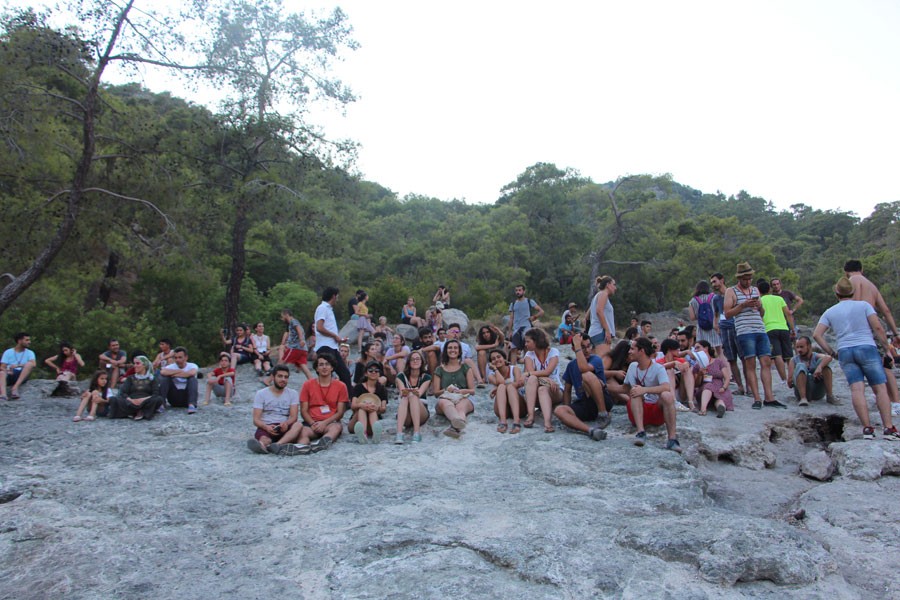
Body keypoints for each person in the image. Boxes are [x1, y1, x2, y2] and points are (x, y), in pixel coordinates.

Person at [813, 277, 898, 441]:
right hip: (866, 347)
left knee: (857, 389)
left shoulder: (830, 311)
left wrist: (831, 352)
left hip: (845, 350)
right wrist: (887, 349)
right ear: (853, 292)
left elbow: (817, 334)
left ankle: (867, 429)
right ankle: (888, 428)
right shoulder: (864, 306)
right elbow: (877, 327)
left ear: (836, 293)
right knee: (880, 388)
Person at [724, 262, 784, 409]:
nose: (748, 281)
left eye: (750, 278)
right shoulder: (731, 291)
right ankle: (757, 398)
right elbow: (727, 314)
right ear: (740, 278)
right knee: (750, 364)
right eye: (745, 279)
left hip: (760, 329)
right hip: (744, 331)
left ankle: (769, 397)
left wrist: (759, 306)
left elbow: (762, 313)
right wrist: (743, 305)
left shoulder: (755, 290)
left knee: (766, 362)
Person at [624, 337, 681, 453]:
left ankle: (672, 439)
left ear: (642, 351)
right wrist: (604, 387)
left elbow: (666, 387)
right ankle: (640, 432)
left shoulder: (658, 368)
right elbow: (624, 388)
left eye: (632, 349)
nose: (629, 351)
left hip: (656, 411)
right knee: (635, 391)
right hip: (638, 409)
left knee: (667, 395)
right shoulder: (632, 367)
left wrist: (644, 390)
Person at [554, 333, 611, 441]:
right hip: (585, 404)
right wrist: (568, 409)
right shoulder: (571, 365)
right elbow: (567, 390)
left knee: (587, 375)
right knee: (559, 410)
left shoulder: (596, 359)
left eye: (588, 346)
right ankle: (591, 430)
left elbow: (583, 368)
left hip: (602, 399)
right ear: (573, 349)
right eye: (582, 347)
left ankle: (603, 415)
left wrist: (578, 346)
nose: (586, 350)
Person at [247, 364, 304, 454]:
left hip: (284, 426)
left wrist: (286, 423)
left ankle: (278, 444)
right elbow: (256, 420)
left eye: (286, 377)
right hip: (267, 425)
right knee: (264, 438)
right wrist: (266, 427)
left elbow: (294, 417)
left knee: (298, 425)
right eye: (280, 376)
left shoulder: (293, 393)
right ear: (273, 377)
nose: (283, 379)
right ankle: (263, 445)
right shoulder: (261, 393)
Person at [297, 354, 347, 452]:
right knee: (303, 433)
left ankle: (322, 443)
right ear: (316, 368)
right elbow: (303, 410)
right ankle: (301, 447)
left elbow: (340, 412)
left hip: (330, 423)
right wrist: (313, 423)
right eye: (321, 364)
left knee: (336, 428)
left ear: (332, 367)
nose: (324, 367)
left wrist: (324, 423)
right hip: (312, 423)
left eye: (327, 364)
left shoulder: (341, 386)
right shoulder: (307, 385)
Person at [710, 272, 746, 395]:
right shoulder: (715, 298)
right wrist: (716, 326)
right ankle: (740, 386)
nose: (713, 284)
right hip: (724, 329)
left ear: (722, 280)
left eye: (715, 281)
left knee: (744, 358)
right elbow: (716, 314)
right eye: (712, 283)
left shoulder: (732, 293)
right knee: (731, 359)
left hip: (737, 327)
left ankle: (750, 387)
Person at [431, 339, 475, 439]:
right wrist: (446, 389)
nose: (453, 350)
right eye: (450, 348)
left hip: (464, 396)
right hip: (446, 397)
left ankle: (454, 428)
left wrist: (463, 391)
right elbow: (436, 393)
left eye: (455, 348)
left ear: (459, 351)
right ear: (446, 350)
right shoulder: (439, 369)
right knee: (445, 402)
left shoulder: (465, 367)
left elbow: (472, 390)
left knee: (461, 407)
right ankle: (457, 421)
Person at [315, 287, 353, 398]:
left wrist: (339, 339)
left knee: (342, 373)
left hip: (331, 346)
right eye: (337, 296)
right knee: (329, 374)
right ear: (333, 296)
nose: (338, 299)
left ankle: (346, 399)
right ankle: (346, 400)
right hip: (325, 347)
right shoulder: (322, 308)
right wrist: (335, 336)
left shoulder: (328, 309)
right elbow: (319, 327)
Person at [522, 327, 562, 433]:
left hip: (554, 389)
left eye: (528, 341)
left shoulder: (553, 352)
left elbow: (547, 371)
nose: (525, 344)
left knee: (542, 389)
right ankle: (531, 416)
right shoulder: (529, 355)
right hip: (537, 388)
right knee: (535, 382)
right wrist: (547, 380)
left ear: (536, 341)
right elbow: (533, 378)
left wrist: (529, 373)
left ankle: (547, 422)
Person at [758, 279, 795, 384]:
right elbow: (788, 313)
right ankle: (792, 377)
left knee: (777, 355)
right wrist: (792, 328)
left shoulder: (760, 301)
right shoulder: (779, 299)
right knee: (788, 355)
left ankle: (784, 379)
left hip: (769, 329)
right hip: (783, 328)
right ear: (770, 289)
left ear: (759, 291)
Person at [109, 356, 164, 421]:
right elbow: (124, 392)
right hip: (131, 401)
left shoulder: (152, 379)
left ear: (144, 365)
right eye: (134, 363)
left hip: (146, 401)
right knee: (114, 399)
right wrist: (131, 400)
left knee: (158, 399)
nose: (135, 366)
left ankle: (133, 412)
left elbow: (155, 393)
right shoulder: (130, 378)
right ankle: (140, 411)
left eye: (137, 363)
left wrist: (142, 400)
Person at [394, 350, 431, 444]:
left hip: (421, 410)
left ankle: (417, 432)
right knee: (406, 396)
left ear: (422, 361)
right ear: (409, 362)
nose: (415, 361)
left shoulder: (426, 377)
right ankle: (399, 433)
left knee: (413, 396)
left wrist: (411, 392)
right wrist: (409, 392)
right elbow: (403, 392)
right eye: (412, 359)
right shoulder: (401, 376)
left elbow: (420, 392)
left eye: (418, 359)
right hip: (406, 411)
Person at [787, 336, 836, 406]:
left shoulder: (815, 356)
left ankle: (830, 396)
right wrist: (798, 375)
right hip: (801, 393)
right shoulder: (793, 360)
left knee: (824, 365)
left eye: (801, 347)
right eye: (797, 347)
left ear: (809, 346)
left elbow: (829, 357)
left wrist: (819, 368)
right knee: (800, 365)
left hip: (818, 392)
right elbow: (789, 383)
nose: (799, 350)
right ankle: (803, 398)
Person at [349, 360, 389, 444]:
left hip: (371, 420)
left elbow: (383, 408)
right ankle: (362, 433)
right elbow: (353, 405)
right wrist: (362, 405)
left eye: (376, 371)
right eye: (370, 370)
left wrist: (376, 407)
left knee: (372, 408)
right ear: (366, 373)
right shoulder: (358, 387)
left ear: (379, 374)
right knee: (362, 409)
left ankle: (374, 434)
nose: (373, 372)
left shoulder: (382, 389)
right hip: (356, 420)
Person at [487, 348, 525, 434]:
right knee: (501, 387)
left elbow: (518, 384)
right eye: (493, 359)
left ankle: (516, 421)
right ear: (490, 363)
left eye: (498, 357)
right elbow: (501, 382)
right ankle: (503, 421)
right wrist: (495, 370)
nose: (496, 360)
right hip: (503, 409)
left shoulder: (514, 369)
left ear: (504, 359)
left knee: (510, 387)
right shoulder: (491, 375)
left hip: (519, 407)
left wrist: (498, 388)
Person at [507, 284, 544, 366]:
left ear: (524, 291)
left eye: (520, 290)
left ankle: (527, 371)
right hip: (516, 329)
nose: (518, 292)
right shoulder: (512, 304)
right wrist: (509, 331)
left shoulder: (529, 301)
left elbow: (541, 311)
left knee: (527, 349)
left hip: (527, 328)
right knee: (513, 349)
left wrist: (534, 317)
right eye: (516, 290)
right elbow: (511, 318)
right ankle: (513, 371)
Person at [694, 339, 733, 417]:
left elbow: (727, 377)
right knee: (708, 386)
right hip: (704, 388)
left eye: (698, 347)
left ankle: (721, 408)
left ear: (706, 348)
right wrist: (700, 374)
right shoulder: (697, 365)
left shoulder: (718, 362)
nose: (696, 350)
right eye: (695, 348)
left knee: (719, 398)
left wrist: (724, 387)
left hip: (719, 387)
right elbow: (696, 384)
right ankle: (703, 409)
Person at [659, 338, 696, 411]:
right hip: (668, 393)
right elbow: (659, 368)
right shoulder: (659, 361)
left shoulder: (680, 360)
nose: (679, 351)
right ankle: (674, 401)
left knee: (687, 370)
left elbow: (687, 365)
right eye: (677, 349)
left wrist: (686, 364)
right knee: (670, 371)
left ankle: (690, 401)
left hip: (681, 391)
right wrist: (672, 364)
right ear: (670, 350)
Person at [159, 346, 199, 413]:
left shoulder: (192, 365)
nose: (177, 360)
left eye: (180, 357)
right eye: (176, 358)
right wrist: (180, 371)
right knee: (165, 379)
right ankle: (161, 404)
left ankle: (192, 405)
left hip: (186, 397)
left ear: (186, 357)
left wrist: (172, 374)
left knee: (192, 379)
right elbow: (162, 372)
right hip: (174, 398)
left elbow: (192, 373)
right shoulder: (171, 366)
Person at [587, 275, 617, 358]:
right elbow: (599, 311)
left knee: (594, 362)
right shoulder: (603, 294)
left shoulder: (596, 297)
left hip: (594, 332)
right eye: (614, 285)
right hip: (601, 333)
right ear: (608, 284)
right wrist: (607, 330)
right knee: (603, 361)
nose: (615, 288)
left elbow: (587, 317)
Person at [279, 309, 313, 381]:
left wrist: (301, 340)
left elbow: (299, 330)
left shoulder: (293, 321)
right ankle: (312, 381)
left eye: (282, 316)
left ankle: (268, 380)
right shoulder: (295, 322)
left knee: (281, 362)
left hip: (296, 348)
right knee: (304, 366)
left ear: (286, 315)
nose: (282, 319)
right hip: (303, 349)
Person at [1, 332, 37, 401]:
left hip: (22, 374)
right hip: (10, 374)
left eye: (29, 340)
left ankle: (15, 388)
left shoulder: (30, 352)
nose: (29, 342)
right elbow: (2, 366)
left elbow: (33, 364)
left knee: (29, 364)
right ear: (19, 341)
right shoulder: (8, 352)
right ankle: (3, 395)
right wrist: (8, 371)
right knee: (1, 373)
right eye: (26, 340)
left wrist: (17, 365)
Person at [688, 281, 721, 354]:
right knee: (719, 351)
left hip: (701, 329)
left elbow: (692, 317)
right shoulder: (714, 297)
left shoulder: (693, 301)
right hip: (714, 327)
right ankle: (723, 365)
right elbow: (720, 311)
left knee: (704, 351)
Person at [603, 339, 633, 405]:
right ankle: (628, 399)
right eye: (628, 354)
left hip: (623, 387)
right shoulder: (610, 358)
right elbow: (600, 373)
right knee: (609, 379)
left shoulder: (631, 363)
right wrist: (615, 373)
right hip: (610, 387)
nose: (630, 357)